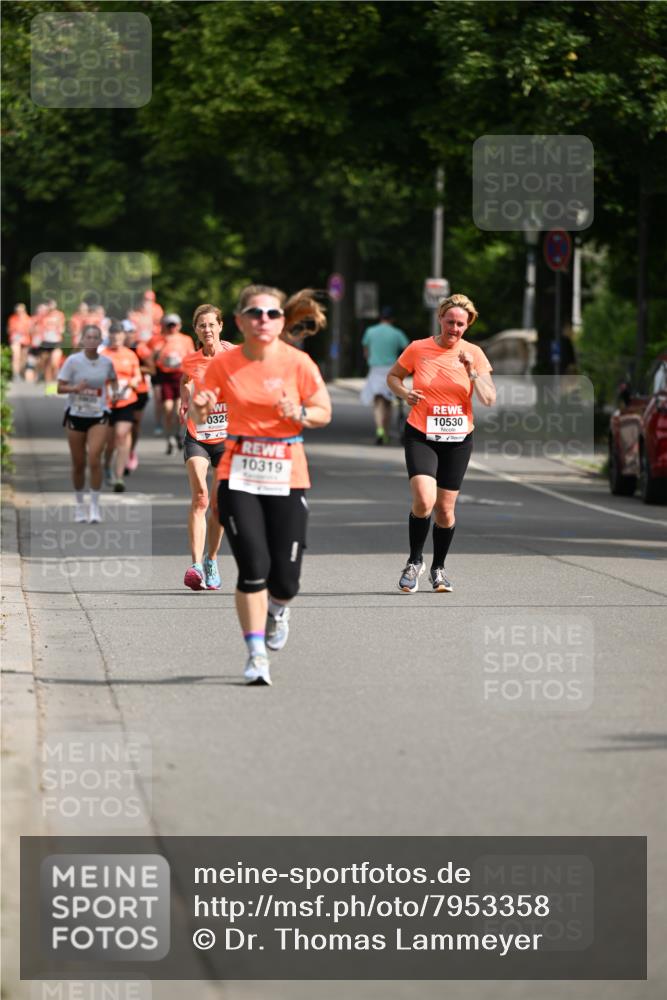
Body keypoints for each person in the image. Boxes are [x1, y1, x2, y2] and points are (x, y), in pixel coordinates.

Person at [192, 284, 332, 686]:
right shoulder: (225, 363)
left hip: (287, 474)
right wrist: (201, 406)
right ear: (239, 321)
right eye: (255, 314)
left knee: (285, 582)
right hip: (238, 474)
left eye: (271, 314)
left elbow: (324, 411)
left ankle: (278, 609)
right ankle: (255, 654)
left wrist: (301, 411)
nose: (263, 321)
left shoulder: (298, 363)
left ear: (282, 320)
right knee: (253, 568)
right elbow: (204, 406)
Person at [387, 293, 495, 593]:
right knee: (424, 500)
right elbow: (393, 377)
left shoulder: (474, 353)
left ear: (468, 325)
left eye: (461, 324)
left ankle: (438, 568)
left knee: (445, 510)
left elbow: (489, 398)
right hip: (421, 433)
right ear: (441, 319)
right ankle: (414, 562)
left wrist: (471, 370)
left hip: (458, 439)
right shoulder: (418, 348)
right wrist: (404, 393)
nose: (455, 329)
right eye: (450, 322)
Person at [179, 304, 235, 590]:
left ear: (221, 326)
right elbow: (186, 382)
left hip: (226, 438)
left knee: (218, 503)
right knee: (200, 497)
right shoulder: (192, 360)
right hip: (198, 434)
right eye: (202, 326)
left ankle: (211, 559)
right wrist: (186, 400)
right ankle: (196, 566)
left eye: (212, 324)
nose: (207, 330)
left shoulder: (236, 356)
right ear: (196, 330)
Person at [57, 325, 117, 522]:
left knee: (94, 459)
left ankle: (94, 508)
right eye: (88, 337)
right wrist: (76, 388)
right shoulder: (73, 361)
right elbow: (59, 388)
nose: (91, 341)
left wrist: (115, 394)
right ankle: (79, 506)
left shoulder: (107, 363)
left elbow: (113, 380)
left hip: (98, 415)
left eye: (95, 337)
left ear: (100, 341)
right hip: (76, 415)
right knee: (78, 463)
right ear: (82, 340)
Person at [101, 321, 142, 492]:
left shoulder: (130, 355)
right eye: (113, 336)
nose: (116, 338)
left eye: (119, 336)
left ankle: (119, 478)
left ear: (123, 337)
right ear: (109, 337)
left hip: (127, 401)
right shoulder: (103, 355)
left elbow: (138, 376)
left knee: (121, 435)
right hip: (107, 403)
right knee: (110, 443)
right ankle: (107, 466)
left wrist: (133, 381)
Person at [361, 306, 409, 445]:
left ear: (380, 317)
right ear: (392, 319)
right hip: (391, 370)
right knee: (388, 403)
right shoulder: (397, 333)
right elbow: (407, 349)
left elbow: (366, 351)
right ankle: (386, 432)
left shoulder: (370, 331)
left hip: (375, 368)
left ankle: (380, 429)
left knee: (377, 402)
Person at [153, 314, 194, 454]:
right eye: (169, 325)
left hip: (180, 376)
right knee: (167, 408)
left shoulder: (186, 339)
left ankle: (179, 433)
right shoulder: (159, 340)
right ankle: (169, 437)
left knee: (178, 409)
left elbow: (192, 356)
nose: (172, 328)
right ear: (164, 326)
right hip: (165, 376)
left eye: (174, 325)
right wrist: (160, 354)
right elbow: (153, 358)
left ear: (179, 325)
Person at [123, 318, 152, 473]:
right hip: (120, 393)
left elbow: (152, 369)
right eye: (124, 332)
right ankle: (122, 453)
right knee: (119, 426)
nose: (127, 335)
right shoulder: (114, 348)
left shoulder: (140, 348)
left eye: (130, 332)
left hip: (139, 391)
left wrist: (135, 371)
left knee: (134, 425)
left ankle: (130, 451)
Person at [7, 303, 31, 379]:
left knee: (23, 358)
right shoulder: (12, 318)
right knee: (16, 356)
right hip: (16, 340)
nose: (19, 312)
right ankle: (16, 374)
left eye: (21, 310)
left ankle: (21, 372)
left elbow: (31, 330)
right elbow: (9, 330)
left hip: (25, 340)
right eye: (17, 311)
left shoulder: (28, 319)